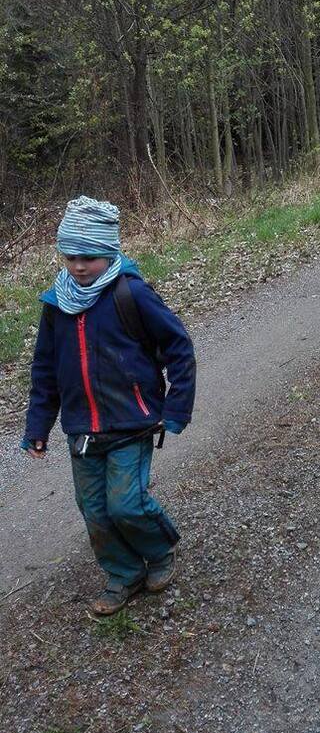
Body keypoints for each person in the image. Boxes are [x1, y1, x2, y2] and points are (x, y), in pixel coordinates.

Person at [21, 196, 196, 615]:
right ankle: (123, 573)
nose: (79, 266)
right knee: (94, 510)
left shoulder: (131, 293)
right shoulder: (56, 304)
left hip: (131, 422)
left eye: (90, 257)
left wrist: (176, 408)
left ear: (109, 251)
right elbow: (45, 370)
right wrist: (37, 426)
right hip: (82, 428)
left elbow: (179, 347)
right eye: (71, 257)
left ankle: (159, 550)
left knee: (126, 503)